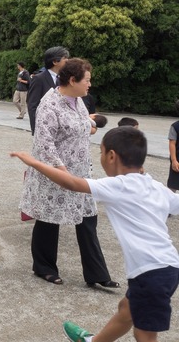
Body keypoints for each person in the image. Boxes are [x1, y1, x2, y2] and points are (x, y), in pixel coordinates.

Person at [11, 127, 179, 342]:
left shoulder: (118, 185)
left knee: (144, 333)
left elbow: (71, 183)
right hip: (168, 267)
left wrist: (34, 162)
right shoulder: (156, 187)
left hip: (150, 272)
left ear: (111, 156)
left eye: (100, 152)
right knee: (126, 309)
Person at [19, 58, 118, 288]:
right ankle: (44, 267)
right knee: (48, 219)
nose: (89, 85)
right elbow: (44, 144)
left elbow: (83, 125)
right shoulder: (50, 104)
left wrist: (90, 126)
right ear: (72, 80)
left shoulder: (78, 101)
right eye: (87, 80)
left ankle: (97, 274)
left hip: (81, 171)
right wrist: (62, 172)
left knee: (87, 219)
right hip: (56, 172)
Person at [27, 46, 69, 134]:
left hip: (62, 129)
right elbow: (32, 105)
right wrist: (36, 129)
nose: (67, 61)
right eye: (64, 58)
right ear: (54, 62)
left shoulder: (65, 79)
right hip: (45, 127)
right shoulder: (39, 79)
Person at [167, 101, 179, 192]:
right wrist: (174, 160)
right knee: (173, 183)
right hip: (177, 158)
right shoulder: (175, 126)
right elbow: (172, 143)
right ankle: (170, 201)